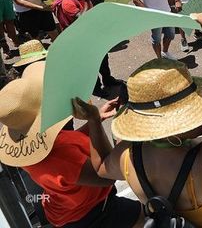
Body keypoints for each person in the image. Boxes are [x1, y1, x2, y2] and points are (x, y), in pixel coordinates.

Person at [84, 14, 202, 227]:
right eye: (192, 107)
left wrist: (93, 120)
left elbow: (100, 166)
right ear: (172, 126)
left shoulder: (126, 156)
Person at [0, 61, 144, 227]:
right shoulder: (63, 154)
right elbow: (107, 175)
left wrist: (94, 123)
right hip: (91, 213)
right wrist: (95, 121)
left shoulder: (31, 150)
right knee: (145, 215)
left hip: (63, 212)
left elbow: (66, 144)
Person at [52, 0, 120, 97]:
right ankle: (96, 89)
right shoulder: (68, 2)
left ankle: (108, 80)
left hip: (93, 35)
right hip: (81, 40)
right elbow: (82, 20)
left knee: (103, 59)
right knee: (91, 64)